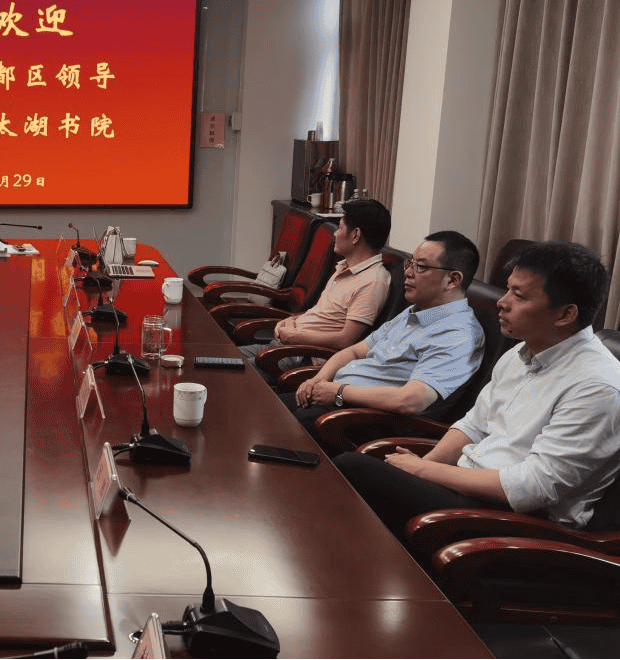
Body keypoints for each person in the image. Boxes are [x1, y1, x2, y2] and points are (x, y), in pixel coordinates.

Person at [335, 241, 620, 534]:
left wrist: (424, 470)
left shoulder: (597, 386)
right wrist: (421, 467)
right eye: (507, 289)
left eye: (519, 295)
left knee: (352, 469)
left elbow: (533, 487)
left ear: (565, 315)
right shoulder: (522, 351)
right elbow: (473, 424)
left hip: (518, 523)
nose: (502, 302)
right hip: (469, 485)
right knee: (361, 473)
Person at [290, 230, 485, 436]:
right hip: (337, 398)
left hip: (363, 418)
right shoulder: (416, 311)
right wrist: (318, 380)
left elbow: (410, 401)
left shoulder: (459, 334)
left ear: (453, 280)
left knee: (279, 427)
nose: (408, 272)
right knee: (273, 408)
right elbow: (355, 351)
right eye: (410, 263)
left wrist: (339, 392)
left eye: (421, 267)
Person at [240, 199, 392, 371]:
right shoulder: (344, 266)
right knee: (224, 358)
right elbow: (321, 314)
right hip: (287, 345)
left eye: (340, 228)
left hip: (302, 357)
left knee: (231, 371)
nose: (335, 234)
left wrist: (295, 337)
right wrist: (292, 320)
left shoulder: (373, 281)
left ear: (355, 235)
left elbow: (345, 341)